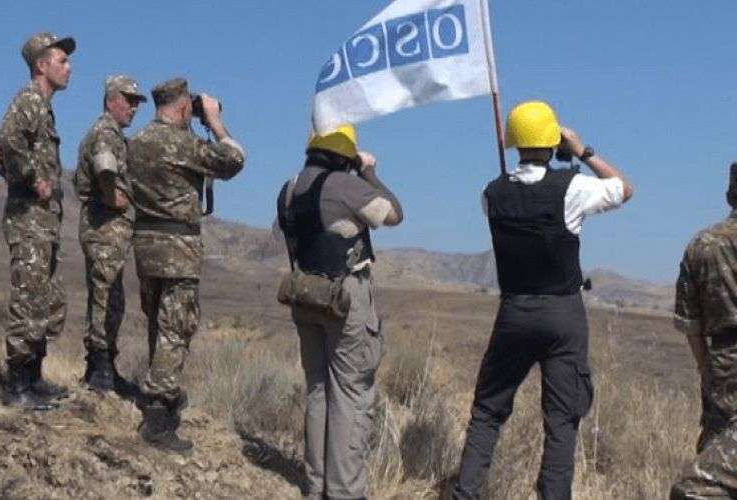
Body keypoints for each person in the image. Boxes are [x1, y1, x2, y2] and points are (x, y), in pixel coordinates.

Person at [446, 101, 633, 499]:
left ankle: (466, 492)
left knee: (487, 410)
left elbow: (513, 194)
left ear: (513, 142)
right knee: (562, 420)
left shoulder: (490, 193)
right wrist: (582, 150)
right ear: (552, 141)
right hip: (563, 314)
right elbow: (623, 188)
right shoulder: (573, 188)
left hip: (514, 311)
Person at [277, 124, 403, 500]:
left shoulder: (288, 189)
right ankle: (345, 491)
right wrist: (369, 173)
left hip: (305, 295)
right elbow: (394, 214)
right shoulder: (345, 185)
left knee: (318, 389)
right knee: (349, 392)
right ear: (345, 154)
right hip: (343, 296)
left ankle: (316, 486)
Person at [127, 77, 245, 453]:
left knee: (157, 325)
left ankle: (157, 396)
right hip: (178, 247)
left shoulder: (137, 141)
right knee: (175, 328)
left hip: (145, 243)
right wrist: (215, 122)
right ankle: (158, 418)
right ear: (183, 108)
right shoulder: (181, 143)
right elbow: (234, 161)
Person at [0, 32, 75, 411]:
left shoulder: (42, 107)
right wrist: (30, 179)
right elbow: (7, 142)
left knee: (45, 299)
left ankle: (34, 379)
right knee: (28, 299)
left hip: (44, 221)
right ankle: (17, 386)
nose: (69, 68)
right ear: (42, 65)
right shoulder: (27, 101)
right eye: (62, 61)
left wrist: (24, 176)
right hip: (28, 220)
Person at [74, 75, 147, 393]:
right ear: (111, 100)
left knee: (111, 296)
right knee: (105, 296)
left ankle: (104, 366)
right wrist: (111, 195)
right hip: (104, 226)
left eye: (136, 102)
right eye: (129, 101)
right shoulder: (105, 131)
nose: (133, 108)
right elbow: (105, 167)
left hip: (111, 228)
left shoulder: (114, 134)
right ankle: (99, 369)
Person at [670, 163, 737, 499]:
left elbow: (690, 324)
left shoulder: (703, 244)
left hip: (723, 362)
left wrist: (706, 367)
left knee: (712, 473)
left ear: (730, 194)